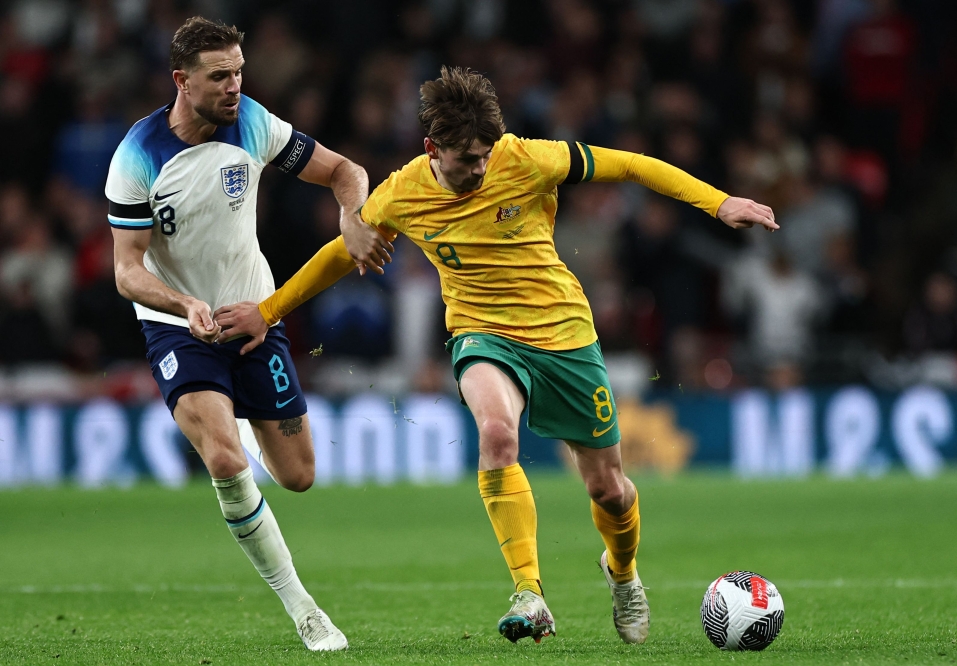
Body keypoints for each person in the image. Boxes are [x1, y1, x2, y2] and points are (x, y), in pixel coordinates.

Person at [215, 66, 776, 645]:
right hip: (482, 334)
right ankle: (529, 592)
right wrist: (269, 310)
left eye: (486, 156)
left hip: (563, 333)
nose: (480, 168)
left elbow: (630, 164)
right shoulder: (403, 191)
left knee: (609, 488)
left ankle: (624, 572)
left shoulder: (528, 158)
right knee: (497, 435)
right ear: (433, 149)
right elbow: (340, 253)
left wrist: (719, 203)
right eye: (467, 159)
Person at [105, 17, 390, 652]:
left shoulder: (255, 123)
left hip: (256, 314)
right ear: (182, 81)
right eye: (220, 76)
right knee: (229, 463)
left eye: (239, 72)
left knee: (298, 475)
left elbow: (346, 170)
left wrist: (352, 217)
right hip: (178, 325)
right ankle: (305, 610)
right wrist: (183, 304)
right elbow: (126, 272)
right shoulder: (137, 157)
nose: (235, 85)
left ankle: (229, 419)